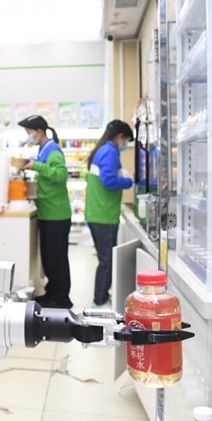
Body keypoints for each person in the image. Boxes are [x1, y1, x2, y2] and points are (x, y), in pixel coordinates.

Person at [20, 115, 73, 309]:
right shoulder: (43, 149)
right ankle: (52, 293)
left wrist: (36, 165)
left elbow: (60, 175)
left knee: (57, 258)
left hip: (56, 214)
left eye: (29, 132)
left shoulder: (53, 150)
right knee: (50, 258)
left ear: (39, 132)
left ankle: (61, 298)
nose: (29, 136)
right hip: (47, 212)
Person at [85, 120, 135, 308]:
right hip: (103, 214)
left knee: (104, 260)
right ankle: (99, 302)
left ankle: (100, 299)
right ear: (120, 137)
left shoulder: (103, 150)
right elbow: (108, 181)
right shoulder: (110, 152)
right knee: (106, 261)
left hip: (99, 213)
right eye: (126, 141)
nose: (125, 145)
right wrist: (129, 181)